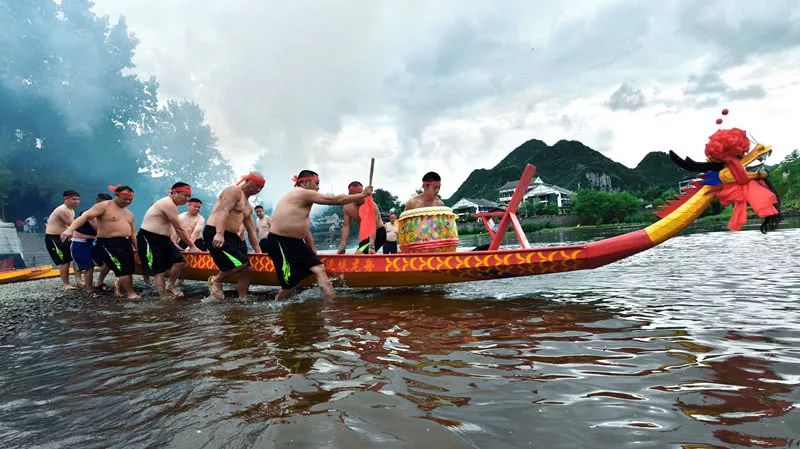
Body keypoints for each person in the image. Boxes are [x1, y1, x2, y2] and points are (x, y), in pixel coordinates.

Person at [264, 170, 372, 300]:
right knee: (290, 284)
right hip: (279, 242)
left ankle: (333, 303)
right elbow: (337, 199)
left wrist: (312, 250)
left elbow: (305, 229)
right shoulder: (301, 193)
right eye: (316, 183)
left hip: (297, 243)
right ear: (304, 182)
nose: (318, 187)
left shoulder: (303, 200)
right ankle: (277, 307)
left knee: (319, 268)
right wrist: (362, 194)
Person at [62, 185, 138, 299]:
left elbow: (132, 234)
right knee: (122, 269)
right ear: (116, 195)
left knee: (129, 268)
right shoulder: (104, 206)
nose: (127, 201)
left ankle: (123, 289)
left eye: (130, 200)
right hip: (108, 243)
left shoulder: (129, 214)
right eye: (125, 198)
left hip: (125, 242)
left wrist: (136, 249)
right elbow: (85, 216)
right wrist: (70, 229)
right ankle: (131, 293)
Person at [204, 172, 264, 300]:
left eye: (260, 187)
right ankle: (216, 280)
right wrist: (219, 234)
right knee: (241, 263)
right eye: (256, 185)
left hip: (233, 237)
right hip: (215, 232)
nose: (257, 189)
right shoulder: (233, 191)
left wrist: (259, 252)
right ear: (247, 180)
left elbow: (252, 231)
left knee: (247, 268)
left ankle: (243, 297)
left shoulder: (248, 207)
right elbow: (223, 211)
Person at [137, 182, 199, 298]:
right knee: (159, 270)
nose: (187, 199)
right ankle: (163, 297)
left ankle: (170, 286)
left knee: (179, 261)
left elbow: (168, 226)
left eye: (189, 196)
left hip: (164, 239)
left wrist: (173, 242)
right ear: (174, 192)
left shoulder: (172, 206)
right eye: (185, 195)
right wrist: (192, 246)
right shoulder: (167, 203)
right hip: (148, 238)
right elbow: (179, 229)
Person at [71, 192, 112, 295]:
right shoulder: (89, 213)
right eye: (104, 203)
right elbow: (98, 229)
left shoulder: (105, 213)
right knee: (89, 266)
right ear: (98, 202)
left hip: (93, 241)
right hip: (80, 242)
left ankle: (99, 282)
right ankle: (89, 289)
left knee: (108, 261)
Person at [337, 181, 386, 254]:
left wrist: (372, 245)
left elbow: (372, 225)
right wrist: (342, 244)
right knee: (360, 256)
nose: (358, 198)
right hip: (365, 236)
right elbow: (346, 226)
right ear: (350, 196)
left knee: (358, 255)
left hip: (378, 232)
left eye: (360, 194)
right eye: (355, 196)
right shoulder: (347, 206)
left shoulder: (371, 205)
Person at [45, 190, 80, 290]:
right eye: (74, 199)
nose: (76, 201)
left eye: (78, 199)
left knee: (74, 258)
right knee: (65, 261)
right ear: (66, 199)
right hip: (54, 238)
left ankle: (78, 279)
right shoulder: (62, 210)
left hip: (65, 238)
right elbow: (73, 225)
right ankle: (66, 284)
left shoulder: (71, 210)